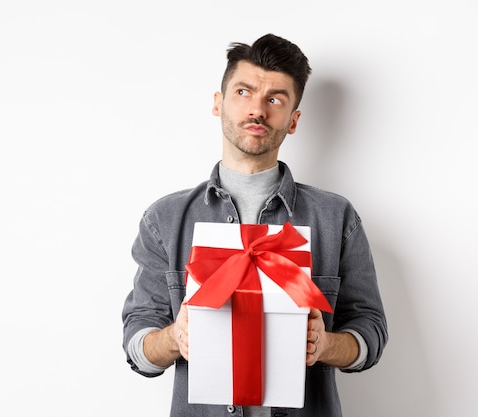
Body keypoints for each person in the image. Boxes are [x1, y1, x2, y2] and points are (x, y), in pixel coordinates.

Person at [122, 33, 388, 417]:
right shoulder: (164, 220)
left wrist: (325, 345)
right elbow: (137, 343)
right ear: (219, 103)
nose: (257, 110)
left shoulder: (336, 217)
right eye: (243, 92)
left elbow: (372, 332)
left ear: (293, 120)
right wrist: (174, 338)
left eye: (275, 99)